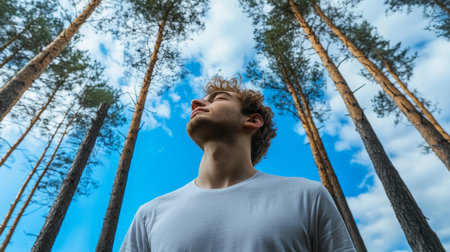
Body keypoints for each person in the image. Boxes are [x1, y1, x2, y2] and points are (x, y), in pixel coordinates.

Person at [120, 77, 356, 252]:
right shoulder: (149, 215)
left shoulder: (307, 196)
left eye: (219, 99)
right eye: (201, 100)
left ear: (252, 121)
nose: (195, 103)